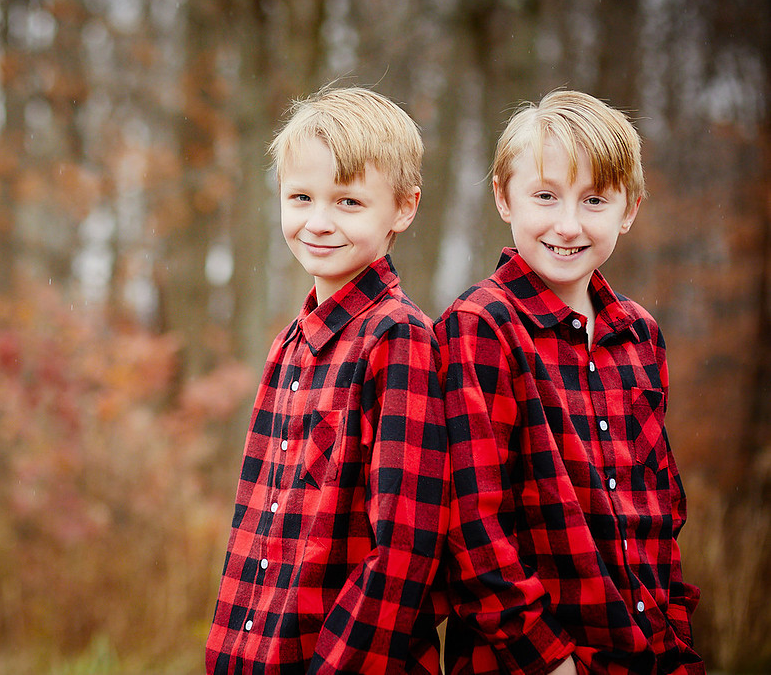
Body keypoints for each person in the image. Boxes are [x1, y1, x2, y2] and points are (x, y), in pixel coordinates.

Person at [436, 89, 703, 674]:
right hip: (530, 661)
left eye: (594, 201)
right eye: (545, 196)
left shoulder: (640, 335)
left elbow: (660, 515)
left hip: (648, 653)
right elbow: (473, 527)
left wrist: (676, 638)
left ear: (629, 209)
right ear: (504, 198)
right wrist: (550, 661)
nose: (568, 224)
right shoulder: (481, 327)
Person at [205, 86, 449, 674]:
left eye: (348, 202)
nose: (318, 222)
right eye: (301, 197)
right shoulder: (289, 346)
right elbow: (257, 532)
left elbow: (405, 553)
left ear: (404, 209)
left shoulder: (398, 338)